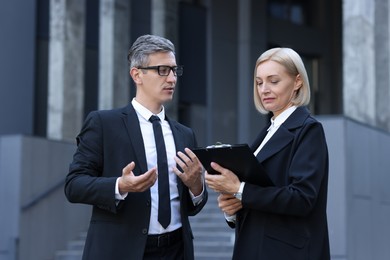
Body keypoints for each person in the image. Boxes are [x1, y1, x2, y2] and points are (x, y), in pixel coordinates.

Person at [65, 34, 207, 260]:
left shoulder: (185, 134)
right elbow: (74, 185)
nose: (171, 79)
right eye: (162, 70)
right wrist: (120, 185)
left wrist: (196, 187)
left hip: (177, 250)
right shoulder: (103, 124)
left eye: (174, 70)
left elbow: (193, 206)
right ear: (137, 74)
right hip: (122, 251)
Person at [205, 47, 330, 259]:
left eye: (273, 81)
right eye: (259, 82)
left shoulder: (309, 130)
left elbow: (302, 198)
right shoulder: (268, 132)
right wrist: (232, 208)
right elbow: (258, 196)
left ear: (297, 82)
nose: (264, 89)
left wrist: (240, 189)